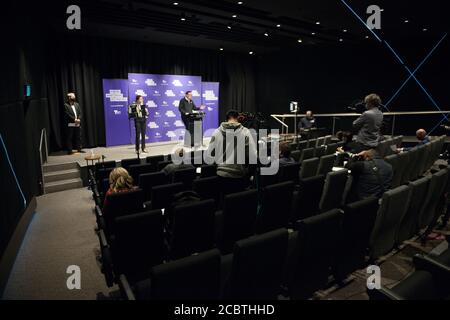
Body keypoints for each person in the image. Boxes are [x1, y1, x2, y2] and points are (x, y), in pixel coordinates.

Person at [206, 109, 257, 194]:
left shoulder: (216, 132)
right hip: (239, 176)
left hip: (221, 175)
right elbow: (253, 156)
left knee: (223, 204)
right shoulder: (245, 132)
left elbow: (210, 155)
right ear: (238, 118)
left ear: (226, 119)